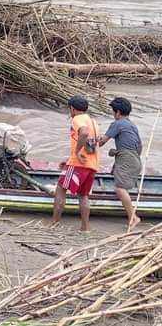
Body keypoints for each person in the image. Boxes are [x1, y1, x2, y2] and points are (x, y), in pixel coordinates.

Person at [51, 95, 101, 232]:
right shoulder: (93, 122)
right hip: (92, 164)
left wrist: (77, 153)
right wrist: (69, 159)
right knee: (83, 196)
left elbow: (84, 134)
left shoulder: (77, 119)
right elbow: (92, 143)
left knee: (61, 189)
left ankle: (54, 224)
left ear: (72, 109)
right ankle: (85, 228)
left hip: (78, 163)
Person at [97, 97, 142, 231]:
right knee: (118, 182)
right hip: (135, 159)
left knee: (119, 189)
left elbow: (101, 142)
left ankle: (133, 217)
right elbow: (139, 146)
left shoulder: (117, 123)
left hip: (127, 159)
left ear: (117, 112)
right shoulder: (132, 124)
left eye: (113, 111)